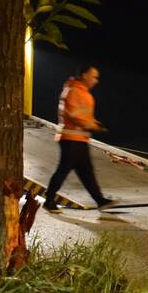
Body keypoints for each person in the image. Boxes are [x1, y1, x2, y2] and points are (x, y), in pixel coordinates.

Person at [43, 65, 122, 213]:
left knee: (86, 172)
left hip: (80, 139)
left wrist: (95, 124)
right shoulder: (73, 91)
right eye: (94, 76)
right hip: (71, 139)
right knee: (64, 170)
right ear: (84, 75)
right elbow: (74, 115)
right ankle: (49, 201)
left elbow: (84, 116)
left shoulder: (84, 93)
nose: (96, 80)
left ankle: (100, 200)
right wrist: (92, 126)